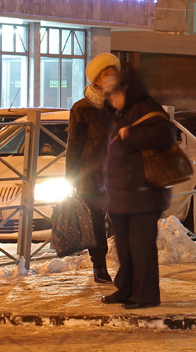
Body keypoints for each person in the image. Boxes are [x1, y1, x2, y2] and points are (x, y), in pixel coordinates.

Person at [100, 67, 175, 310]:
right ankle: (127, 289)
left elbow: (165, 136)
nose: (111, 99)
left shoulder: (145, 107)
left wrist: (131, 133)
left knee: (140, 245)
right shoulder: (121, 112)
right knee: (125, 245)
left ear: (127, 91)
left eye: (113, 94)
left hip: (144, 193)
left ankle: (146, 294)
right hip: (122, 193)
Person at [66, 53, 119, 284]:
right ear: (97, 80)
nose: (112, 79)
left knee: (122, 219)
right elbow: (74, 145)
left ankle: (128, 266)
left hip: (118, 174)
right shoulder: (81, 108)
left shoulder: (120, 105)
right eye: (107, 75)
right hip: (91, 175)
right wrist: (72, 177)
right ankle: (99, 267)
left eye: (114, 74)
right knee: (96, 223)